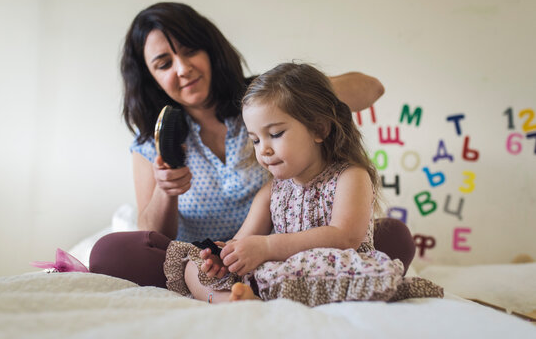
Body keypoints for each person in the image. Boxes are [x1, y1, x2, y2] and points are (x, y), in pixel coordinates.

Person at [89, 2, 415, 288]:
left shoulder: (261, 106)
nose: (183, 68)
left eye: (190, 51)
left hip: (291, 244)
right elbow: (153, 234)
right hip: (212, 250)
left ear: (210, 50)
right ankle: (218, 282)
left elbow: (372, 88)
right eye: (164, 63)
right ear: (150, 77)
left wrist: (298, 94)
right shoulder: (152, 140)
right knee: (109, 252)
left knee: (391, 235)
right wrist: (167, 190)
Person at [162, 63, 442, 306]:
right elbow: (243, 241)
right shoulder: (270, 191)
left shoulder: (351, 176)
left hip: (329, 268)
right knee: (190, 262)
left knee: (311, 268)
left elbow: (345, 237)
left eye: (275, 134)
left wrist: (268, 247)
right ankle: (230, 301)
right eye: (256, 140)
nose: (263, 151)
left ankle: (251, 296)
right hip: (275, 273)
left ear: (319, 129)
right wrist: (225, 259)